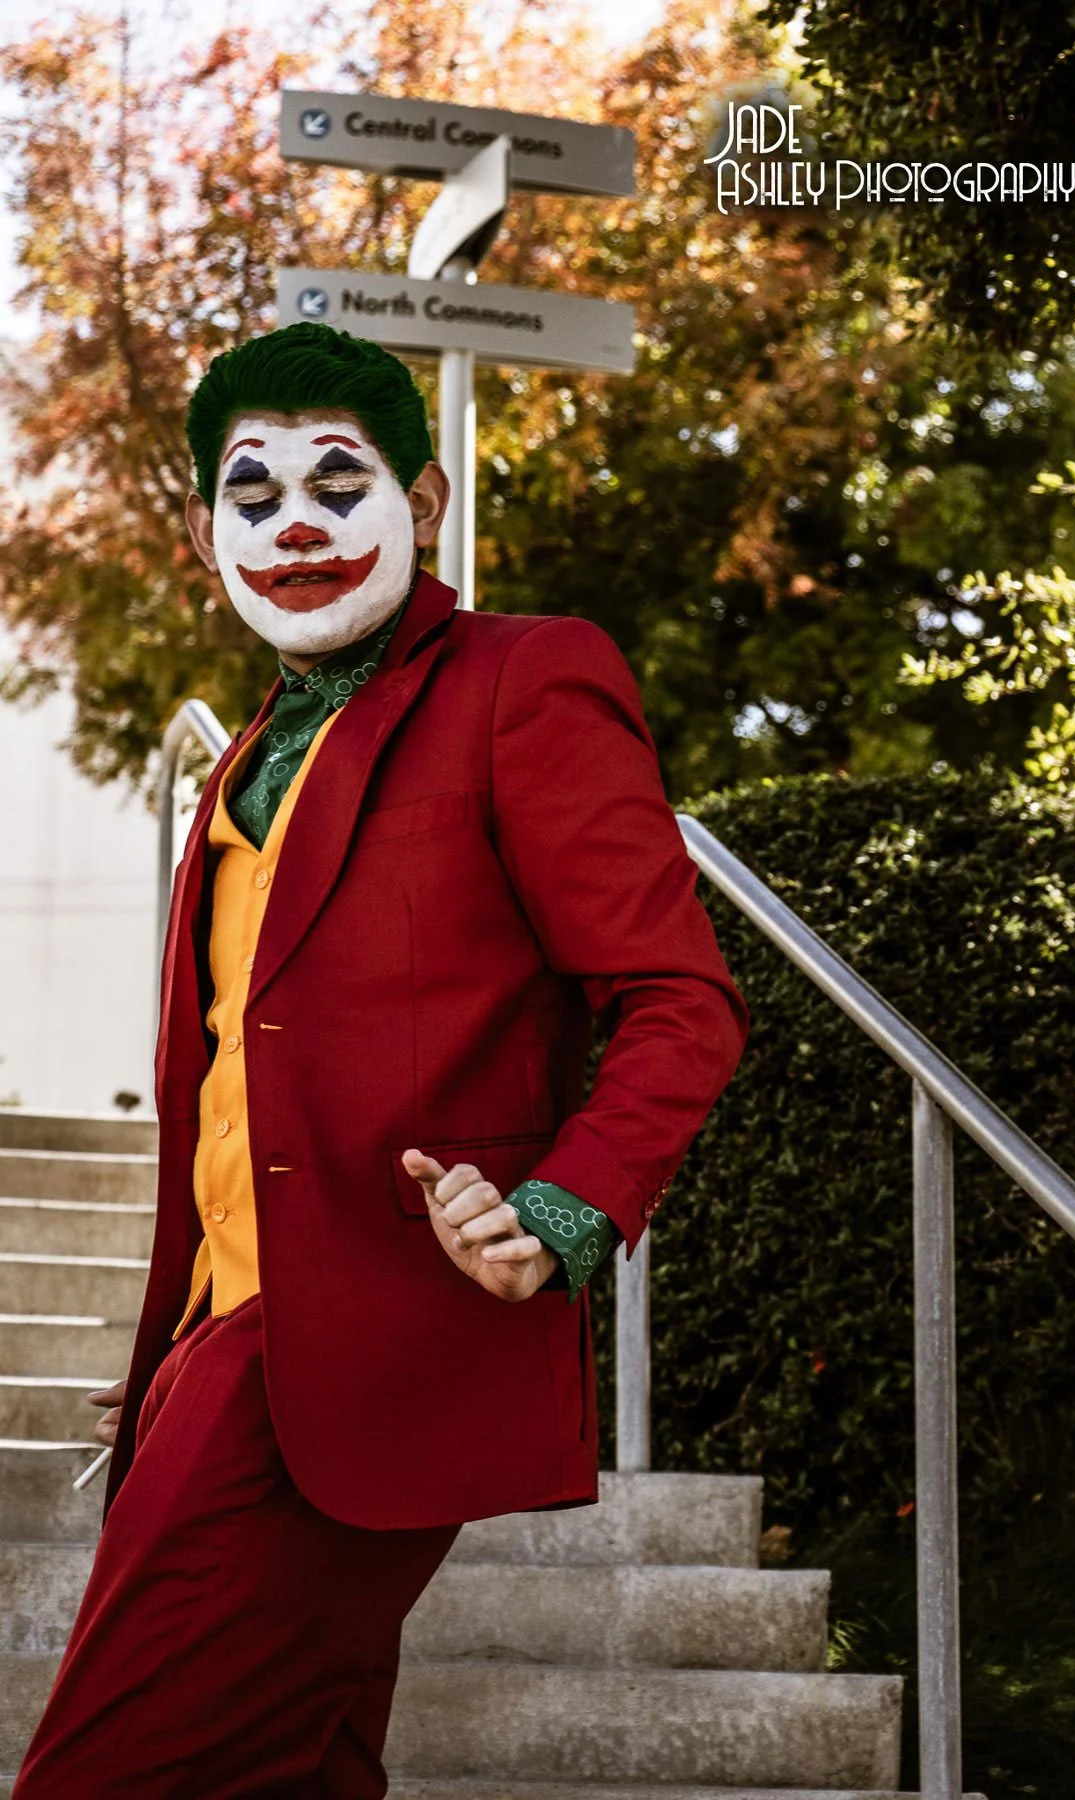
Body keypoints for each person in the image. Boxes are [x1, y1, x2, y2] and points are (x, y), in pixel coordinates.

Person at [14, 321, 749, 1797]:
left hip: (371, 1341)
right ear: (210, 525)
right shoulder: (245, 754)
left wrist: (556, 1215)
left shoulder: (526, 680)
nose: (293, 523)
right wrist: (167, 1344)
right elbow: (244, 1059)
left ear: (423, 505)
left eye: (338, 484)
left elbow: (682, 1001)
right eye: (252, 490)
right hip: (216, 1356)